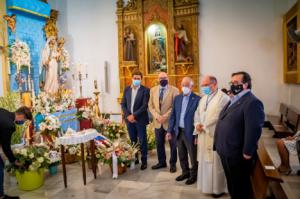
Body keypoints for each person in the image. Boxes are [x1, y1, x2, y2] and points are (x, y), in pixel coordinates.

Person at [214, 71, 265, 199]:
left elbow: (254, 128)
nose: (232, 85)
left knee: (240, 187)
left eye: (236, 83)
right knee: (232, 184)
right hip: (226, 150)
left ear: (246, 85)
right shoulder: (235, 98)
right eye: (231, 83)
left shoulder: (252, 102)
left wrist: (248, 152)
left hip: (237, 154)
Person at [194, 76, 230, 198]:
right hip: (203, 135)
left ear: (214, 84)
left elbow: (218, 116)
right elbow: (197, 113)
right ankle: (206, 187)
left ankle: (218, 189)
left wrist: (203, 126)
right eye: (202, 85)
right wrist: (197, 124)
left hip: (214, 135)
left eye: (205, 85)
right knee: (205, 162)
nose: (203, 87)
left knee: (215, 163)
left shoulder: (223, 98)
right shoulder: (204, 98)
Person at [167, 77, 200, 185]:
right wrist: (169, 130)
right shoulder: (177, 98)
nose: (184, 87)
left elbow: (199, 118)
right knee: (181, 154)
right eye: (182, 85)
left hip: (190, 132)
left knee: (193, 155)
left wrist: (196, 135)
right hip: (178, 131)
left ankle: (193, 175)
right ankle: (185, 172)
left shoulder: (197, 99)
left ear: (191, 86)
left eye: (186, 85)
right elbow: (173, 116)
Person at [148, 72, 179, 173]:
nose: (163, 79)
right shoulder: (153, 90)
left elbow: (175, 106)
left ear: (168, 78)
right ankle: (161, 162)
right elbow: (150, 105)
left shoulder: (174, 90)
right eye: (160, 78)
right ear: (158, 79)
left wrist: (165, 116)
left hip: (170, 122)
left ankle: (173, 163)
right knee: (159, 143)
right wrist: (157, 116)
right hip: (157, 121)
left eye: (164, 77)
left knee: (173, 144)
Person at [0, 106, 33, 199]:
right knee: (0, 166)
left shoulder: (4, 110)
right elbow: (6, 147)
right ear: (21, 115)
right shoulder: (9, 125)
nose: (24, 122)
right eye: (25, 119)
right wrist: (14, 161)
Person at [121, 70, 150, 170]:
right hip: (129, 120)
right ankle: (135, 158)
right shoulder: (127, 89)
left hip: (140, 119)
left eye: (138, 78)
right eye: (135, 78)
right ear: (132, 78)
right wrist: (128, 116)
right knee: (133, 140)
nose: (136, 80)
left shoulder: (145, 90)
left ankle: (144, 161)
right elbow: (123, 104)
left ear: (141, 79)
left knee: (142, 141)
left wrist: (134, 115)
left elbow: (144, 105)